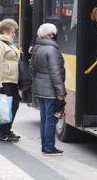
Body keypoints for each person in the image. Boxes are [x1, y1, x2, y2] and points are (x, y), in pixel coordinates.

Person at [29, 23, 67, 155]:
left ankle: (44, 145)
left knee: (44, 117)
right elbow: (56, 73)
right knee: (51, 118)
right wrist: (61, 92)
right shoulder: (52, 50)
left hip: (40, 88)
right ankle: (49, 147)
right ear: (51, 34)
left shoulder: (37, 48)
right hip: (50, 89)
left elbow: (32, 69)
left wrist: (38, 81)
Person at [0, 19, 21, 142]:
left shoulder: (9, 43)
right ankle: (4, 133)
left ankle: (8, 129)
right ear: (6, 30)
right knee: (5, 107)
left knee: (14, 105)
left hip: (12, 80)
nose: (14, 34)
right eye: (13, 31)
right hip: (4, 80)